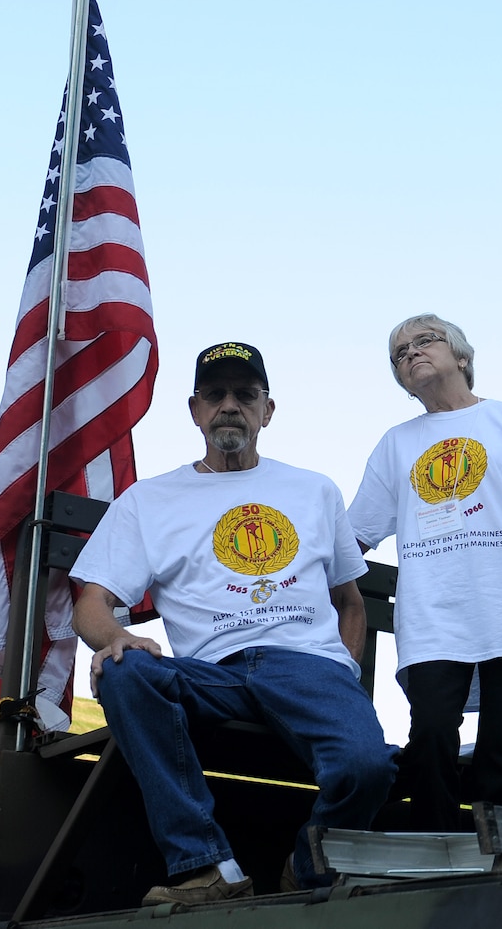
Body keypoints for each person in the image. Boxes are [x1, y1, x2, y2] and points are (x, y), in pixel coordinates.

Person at [70, 343, 393, 905]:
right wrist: (118, 637)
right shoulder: (149, 500)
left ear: (268, 410)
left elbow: (350, 602)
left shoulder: (314, 489)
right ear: (195, 410)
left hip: (308, 666)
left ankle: (310, 866)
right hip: (210, 672)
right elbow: (91, 604)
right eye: (215, 395)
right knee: (124, 672)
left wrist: (341, 668)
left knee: (368, 766)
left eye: (245, 395)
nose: (229, 406)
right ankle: (207, 867)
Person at [348, 314, 502, 831]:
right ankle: (434, 849)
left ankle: (497, 862)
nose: (410, 353)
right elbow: (352, 538)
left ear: (462, 356)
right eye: (399, 353)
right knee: (430, 735)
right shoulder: (396, 443)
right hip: (432, 615)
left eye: (424, 341)